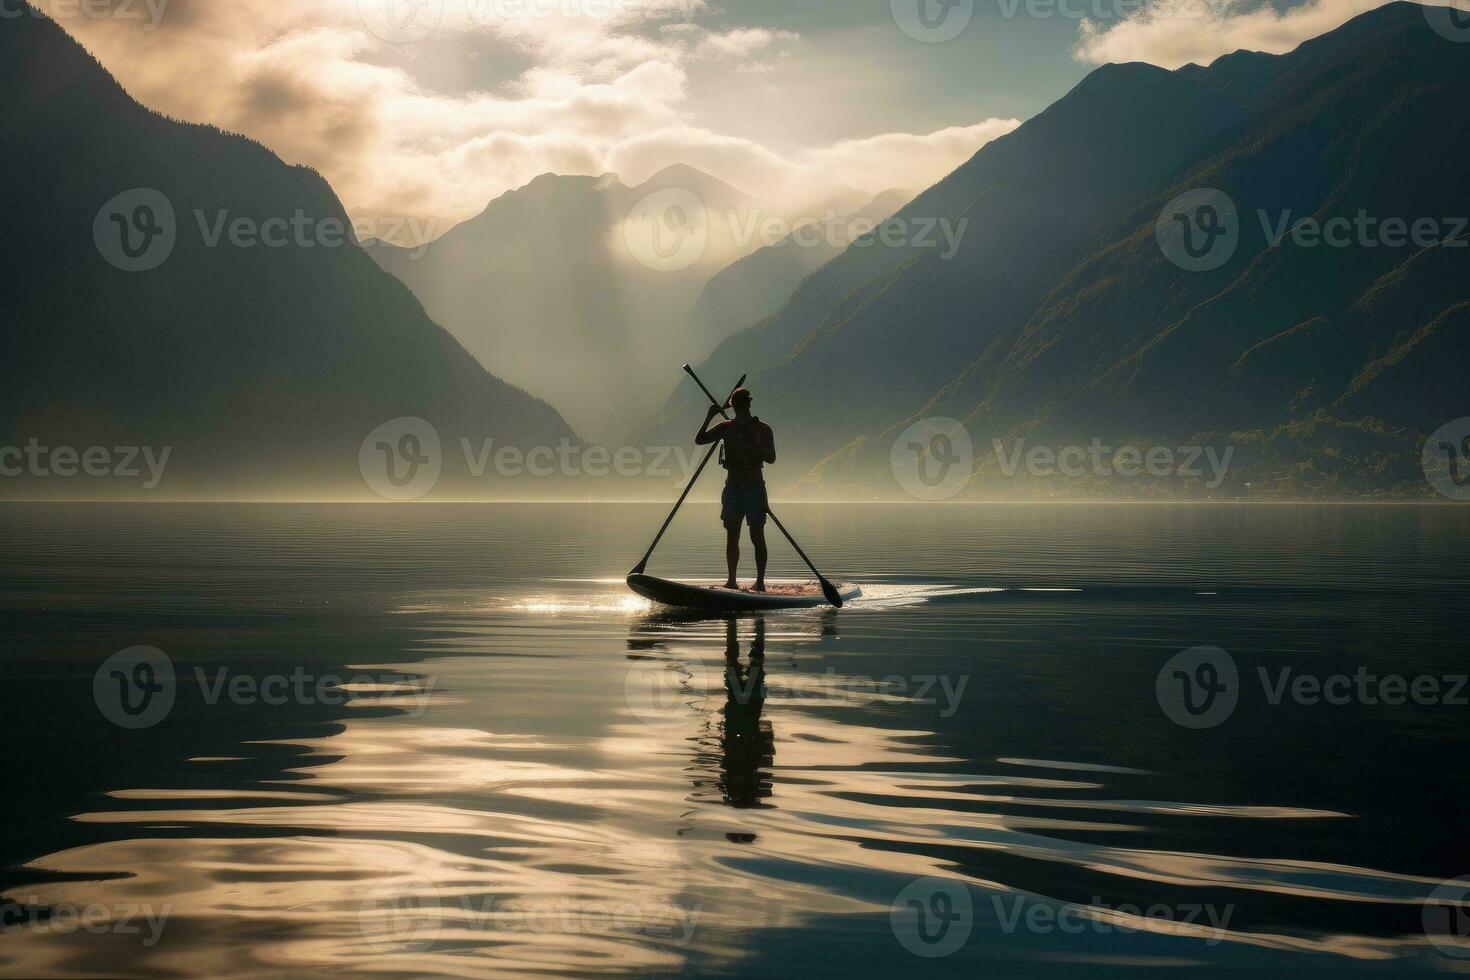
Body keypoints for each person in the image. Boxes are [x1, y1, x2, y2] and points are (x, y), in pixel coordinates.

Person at [695, 387, 775, 591]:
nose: (742, 406)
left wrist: (757, 447)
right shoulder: (726, 427)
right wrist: (709, 417)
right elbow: (700, 439)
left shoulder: (763, 429)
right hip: (732, 489)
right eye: (738, 403)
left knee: (757, 535)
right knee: (732, 534)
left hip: (754, 488)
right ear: (733, 405)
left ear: (749, 403)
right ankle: (731, 580)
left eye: (744, 402)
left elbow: (771, 458)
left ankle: (760, 582)